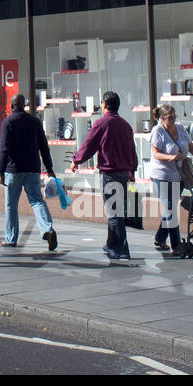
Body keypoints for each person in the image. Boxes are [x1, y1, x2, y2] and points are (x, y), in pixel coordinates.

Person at [70, 91, 138, 260]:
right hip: (123, 173)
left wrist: (76, 160)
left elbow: (89, 145)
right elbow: (132, 150)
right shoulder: (126, 125)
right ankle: (110, 243)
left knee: (114, 212)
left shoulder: (101, 124)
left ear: (104, 105)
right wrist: (132, 171)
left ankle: (121, 249)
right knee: (116, 210)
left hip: (110, 173)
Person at [0, 93, 58, 249]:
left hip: (13, 170)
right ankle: (47, 229)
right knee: (37, 201)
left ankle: (10, 239)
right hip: (32, 169)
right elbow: (44, 147)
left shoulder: (8, 122)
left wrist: (0, 171)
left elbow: (4, 149)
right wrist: (49, 168)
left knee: (11, 205)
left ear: (11, 106)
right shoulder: (35, 122)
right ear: (24, 105)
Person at [148, 104, 193, 254]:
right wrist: (172, 157)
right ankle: (176, 245)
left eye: (175, 115)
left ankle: (160, 238)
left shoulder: (180, 128)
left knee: (169, 208)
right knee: (170, 209)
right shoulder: (158, 131)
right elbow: (156, 153)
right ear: (162, 118)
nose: (174, 119)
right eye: (170, 117)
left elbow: (190, 145)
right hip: (162, 175)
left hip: (179, 175)